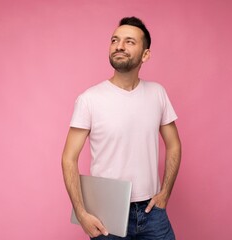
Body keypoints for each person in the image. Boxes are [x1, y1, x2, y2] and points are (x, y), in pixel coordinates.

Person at [62, 16, 181, 240]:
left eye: (129, 41)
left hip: (151, 212)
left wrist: (165, 193)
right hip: (106, 214)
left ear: (145, 54)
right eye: (115, 40)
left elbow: (174, 145)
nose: (119, 46)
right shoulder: (89, 99)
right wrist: (81, 212)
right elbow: (68, 158)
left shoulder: (157, 93)